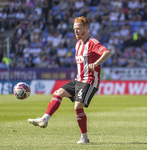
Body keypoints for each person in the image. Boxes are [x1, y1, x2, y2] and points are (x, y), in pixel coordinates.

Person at [28, 16, 111, 144]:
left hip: (90, 80)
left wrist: (96, 63)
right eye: (74, 29)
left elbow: (106, 53)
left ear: (86, 28)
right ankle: (44, 119)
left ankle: (84, 138)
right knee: (58, 93)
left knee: (78, 106)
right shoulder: (78, 44)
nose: (76, 31)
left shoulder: (93, 42)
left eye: (78, 29)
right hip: (78, 80)